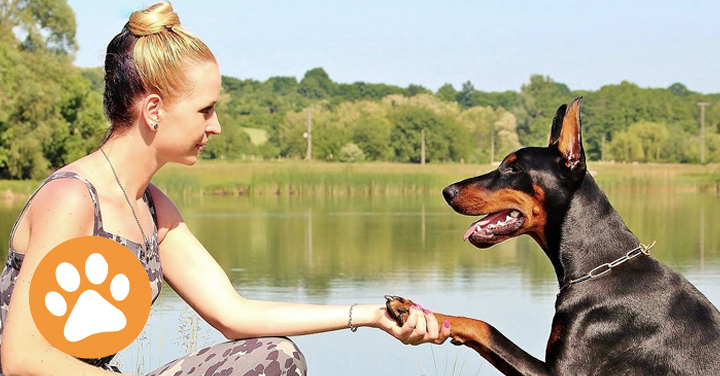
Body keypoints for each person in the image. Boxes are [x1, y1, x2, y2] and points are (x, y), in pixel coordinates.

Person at [0, 2, 450, 375]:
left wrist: (369, 315)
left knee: (276, 356)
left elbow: (233, 315)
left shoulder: (152, 209)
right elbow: (20, 358)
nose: (215, 126)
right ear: (154, 110)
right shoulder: (72, 197)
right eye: (205, 109)